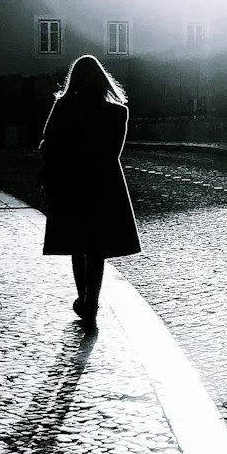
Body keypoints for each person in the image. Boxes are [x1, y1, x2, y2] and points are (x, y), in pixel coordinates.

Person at [38, 54, 141, 331]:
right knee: (97, 248)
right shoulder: (118, 112)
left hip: (71, 182)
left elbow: (48, 144)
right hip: (103, 184)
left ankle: (83, 297)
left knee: (76, 244)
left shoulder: (63, 106)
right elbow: (113, 154)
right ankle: (92, 301)